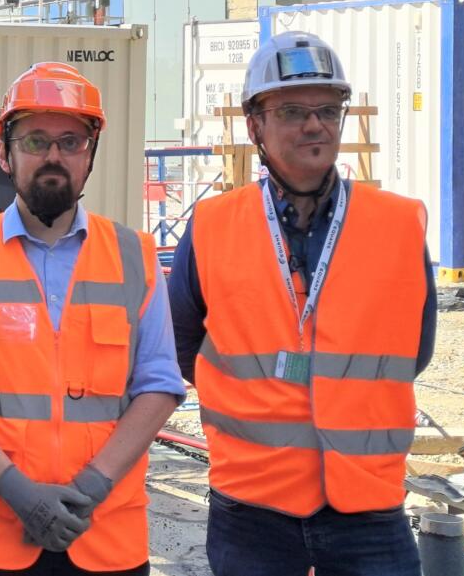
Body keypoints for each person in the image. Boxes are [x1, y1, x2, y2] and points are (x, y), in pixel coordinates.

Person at [167, 31, 437, 576]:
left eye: (328, 110)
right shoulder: (214, 226)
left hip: (369, 506)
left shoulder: (398, 223)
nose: (315, 125)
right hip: (252, 505)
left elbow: (416, 350)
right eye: (292, 111)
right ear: (255, 127)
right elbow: (182, 344)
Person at [0, 63, 184, 576]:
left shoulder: (135, 257)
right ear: (5, 153)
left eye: (71, 142)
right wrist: (17, 492)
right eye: (35, 141)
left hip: (106, 536)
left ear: (90, 154)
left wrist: (93, 487)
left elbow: (158, 386)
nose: (53, 156)